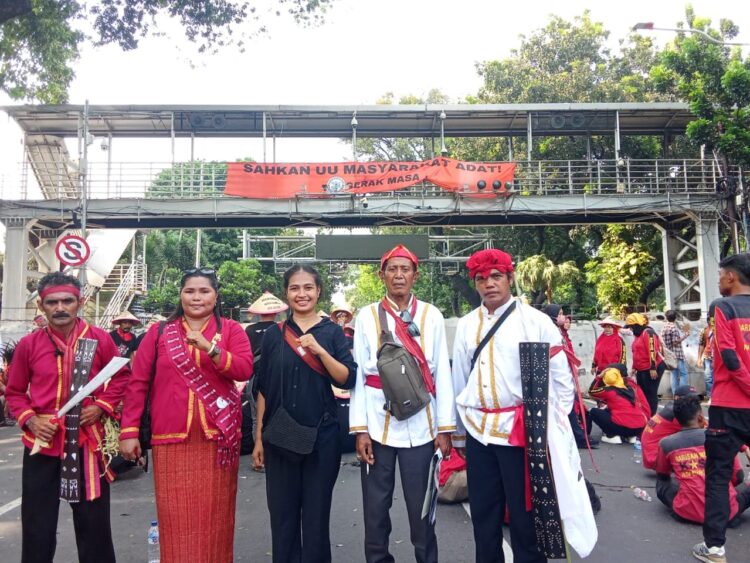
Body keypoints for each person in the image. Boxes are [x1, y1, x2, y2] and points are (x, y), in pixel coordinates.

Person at [452, 249, 588, 563]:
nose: (489, 284)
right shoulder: (466, 325)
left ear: (510, 278)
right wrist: (459, 433)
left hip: (521, 433)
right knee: (484, 516)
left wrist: (552, 429)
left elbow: (562, 379)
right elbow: (460, 379)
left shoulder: (536, 322)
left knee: (527, 517)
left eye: (496, 276)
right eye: (482, 279)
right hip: (478, 431)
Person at [119, 267, 254, 563]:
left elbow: (244, 369)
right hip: (172, 440)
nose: (196, 297)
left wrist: (213, 350)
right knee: (176, 521)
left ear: (215, 296)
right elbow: (138, 382)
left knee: (216, 520)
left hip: (217, 440)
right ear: (180, 296)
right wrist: (128, 431)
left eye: (204, 291)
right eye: (189, 291)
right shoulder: (158, 333)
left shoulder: (230, 330)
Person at [5, 272, 130, 563]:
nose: (60, 307)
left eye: (67, 301)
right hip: (42, 442)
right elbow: (14, 392)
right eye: (52, 302)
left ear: (80, 302)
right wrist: (30, 420)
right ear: (41, 305)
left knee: (94, 523)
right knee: (38, 524)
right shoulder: (29, 345)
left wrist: (100, 406)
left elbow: (121, 377)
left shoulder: (99, 340)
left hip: (87, 442)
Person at [349, 244, 454, 563]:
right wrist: (360, 430)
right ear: (382, 275)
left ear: (415, 275)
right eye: (392, 269)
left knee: (422, 509)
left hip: (422, 426)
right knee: (375, 508)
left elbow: (443, 375)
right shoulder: (366, 316)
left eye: (404, 269)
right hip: (378, 425)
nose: (398, 275)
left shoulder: (431, 315)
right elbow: (358, 377)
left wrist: (445, 428)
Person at [252, 264, 356, 563]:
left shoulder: (333, 333)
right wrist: (258, 437)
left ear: (318, 291)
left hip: (323, 438)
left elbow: (346, 378)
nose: (302, 294)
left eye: (308, 287)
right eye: (295, 288)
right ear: (287, 293)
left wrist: (321, 352)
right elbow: (264, 388)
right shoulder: (274, 335)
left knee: (315, 519)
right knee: (282, 519)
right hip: (280, 437)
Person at [693, 253, 750, 563]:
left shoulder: (723, 307)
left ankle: (714, 548)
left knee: (717, 475)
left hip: (728, 407)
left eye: (720, 274)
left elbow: (729, 357)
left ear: (731, 277)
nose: (717, 280)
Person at [657, 395, 750, 526]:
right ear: (701, 417)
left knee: (663, 483)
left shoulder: (666, 443)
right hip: (725, 513)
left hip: (686, 512)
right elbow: (737, 477)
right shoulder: (722, 439)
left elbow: (662, 475)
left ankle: (687, 504)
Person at [542, 304, 596, 449]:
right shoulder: (550, 331)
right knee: (567, 407)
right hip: (555, 377)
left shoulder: (560, 331)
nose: (563, 317)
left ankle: (578, 436)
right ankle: (577, 437)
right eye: (560, 314)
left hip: (564, 374)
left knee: (571, 406)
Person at [641, 384, 701, 470]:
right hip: (656, 459)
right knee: (696, 436)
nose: (694, 403)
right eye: (690, 399)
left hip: (651, 455)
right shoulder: (679, 413)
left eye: (695, 400)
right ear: (677, 398)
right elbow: (701, 430)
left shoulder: (672, 408)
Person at [589, 363, 650, 444]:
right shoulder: (631, 387)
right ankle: (630, 436)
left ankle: (612, 435)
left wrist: (598, 377)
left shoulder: (609, 390)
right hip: (640, 427)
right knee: (609, 410)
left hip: (624, 426)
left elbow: (591, 392)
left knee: (593, 411)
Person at [625, 312, 666, 416]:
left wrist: (653, 367)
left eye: (631, 327)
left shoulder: (648, 332)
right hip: (641, 368)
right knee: (642, 393)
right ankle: (645, 413)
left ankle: (651, 416)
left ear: (636, 325)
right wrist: (634, 367)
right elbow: (637, 352)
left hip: (652, 367)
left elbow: (652, 350)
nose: (630, 329)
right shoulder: (638, 335)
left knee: (650, 392)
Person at [245, 291, 288, 358]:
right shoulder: (281, 328)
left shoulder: (249, 329)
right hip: (275, 365)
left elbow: (246, 350)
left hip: (255, 365)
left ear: (260, 312)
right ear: (275, 312)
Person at [661, 309, 691, 394]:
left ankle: (675, 394)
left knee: (674, 375)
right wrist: (685, 336)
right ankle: (681, 394)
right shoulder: (673, 328)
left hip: (669, 354)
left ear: (666, 318)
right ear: (675, 318)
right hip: (677, 354)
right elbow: (675, 342)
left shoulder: (664, 327)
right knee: (683, 374)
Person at [697, 303, 716, 401]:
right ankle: (710, 396)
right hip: (708, 357)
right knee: (708, 377)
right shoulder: (704, 331)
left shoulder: (719, 329)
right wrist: (699, 358)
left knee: (717, 377)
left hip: (717, 358)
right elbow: (701, 345)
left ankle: (717, 395)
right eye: (709, 319)